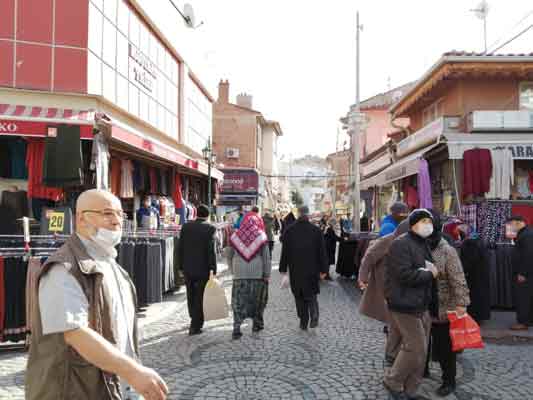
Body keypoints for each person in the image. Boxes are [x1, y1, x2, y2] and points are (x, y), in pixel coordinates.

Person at [26, 189, 168, 400]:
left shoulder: (114, 267)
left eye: (120, 214)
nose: (116, 221)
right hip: (72, 391)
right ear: (82, 219)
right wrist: (132, 371)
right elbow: (75, 333)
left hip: (113, 388)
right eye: (107, 213)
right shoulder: (63, 267)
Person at [383, 209, 438, 400]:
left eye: (429, 221)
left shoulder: (423, 243)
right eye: (424, 221)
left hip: (421, 303)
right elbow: (404, 274)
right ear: (413, 223)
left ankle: (410, 390)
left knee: (422, 352)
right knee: (416, 347)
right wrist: (429, 273)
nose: (428, 225)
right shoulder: (401, 244)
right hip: (404, 303)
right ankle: (393, 380)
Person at [426, 209, 470, 397]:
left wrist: (461, 304)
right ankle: (422, 370)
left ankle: (448, 380)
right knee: (421, 343)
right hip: (421, 304)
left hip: (443, 305)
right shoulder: (417, 244)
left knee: (445, 347)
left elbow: (458, 279)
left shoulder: (447, 250)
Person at [358, 219, 410, 366]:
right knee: (394, 321)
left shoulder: (410, 242)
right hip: (387, 287)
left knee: (397, 322)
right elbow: (368, 257)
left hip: (401, 287)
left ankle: (396, 352)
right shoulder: (387, 241)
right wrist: (363, 278)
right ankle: (391, 354)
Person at [279, 205, 329, 330]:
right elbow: (322, 252)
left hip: (296, 269)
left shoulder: (289, 230)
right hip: (312, 269)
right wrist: (324, 270)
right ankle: (314, 315)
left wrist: (283, 269)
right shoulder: (316, 230)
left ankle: (303, 320)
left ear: (298, 214)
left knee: (299, 296)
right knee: (311, 294)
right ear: (308, 214)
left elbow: (285, 251)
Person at [226, 213, 272, 340]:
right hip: (257, 274)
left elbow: (228, 255)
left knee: (238, 302)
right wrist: (267, 274)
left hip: (239, 274)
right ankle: (257, 324)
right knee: (257, 301)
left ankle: (236, 327)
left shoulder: (234, 236)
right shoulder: (262, 236)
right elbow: (266, 258)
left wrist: (232, 269)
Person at [178, 204, 217, 336]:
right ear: (207, 215)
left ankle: (193, 318)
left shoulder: (186, 226)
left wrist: (180, 266)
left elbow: (180, 248)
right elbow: (211, 251)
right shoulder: (210, 228)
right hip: (203, 269)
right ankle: (195, 325)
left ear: (196, 214)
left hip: (188, 268)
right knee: (200, 297)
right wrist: (213, 268)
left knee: (191, 295)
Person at [507, 215, 533, 331]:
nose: (510, 227)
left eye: (511, 224)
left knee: (523, 297)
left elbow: (528, 255)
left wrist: (523, 273)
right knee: (527, 297)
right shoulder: (525, 233)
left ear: (518, 223)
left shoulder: (527, 235)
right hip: (527, 272)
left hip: (525, 273)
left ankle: (523, 322)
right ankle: (528, 320)